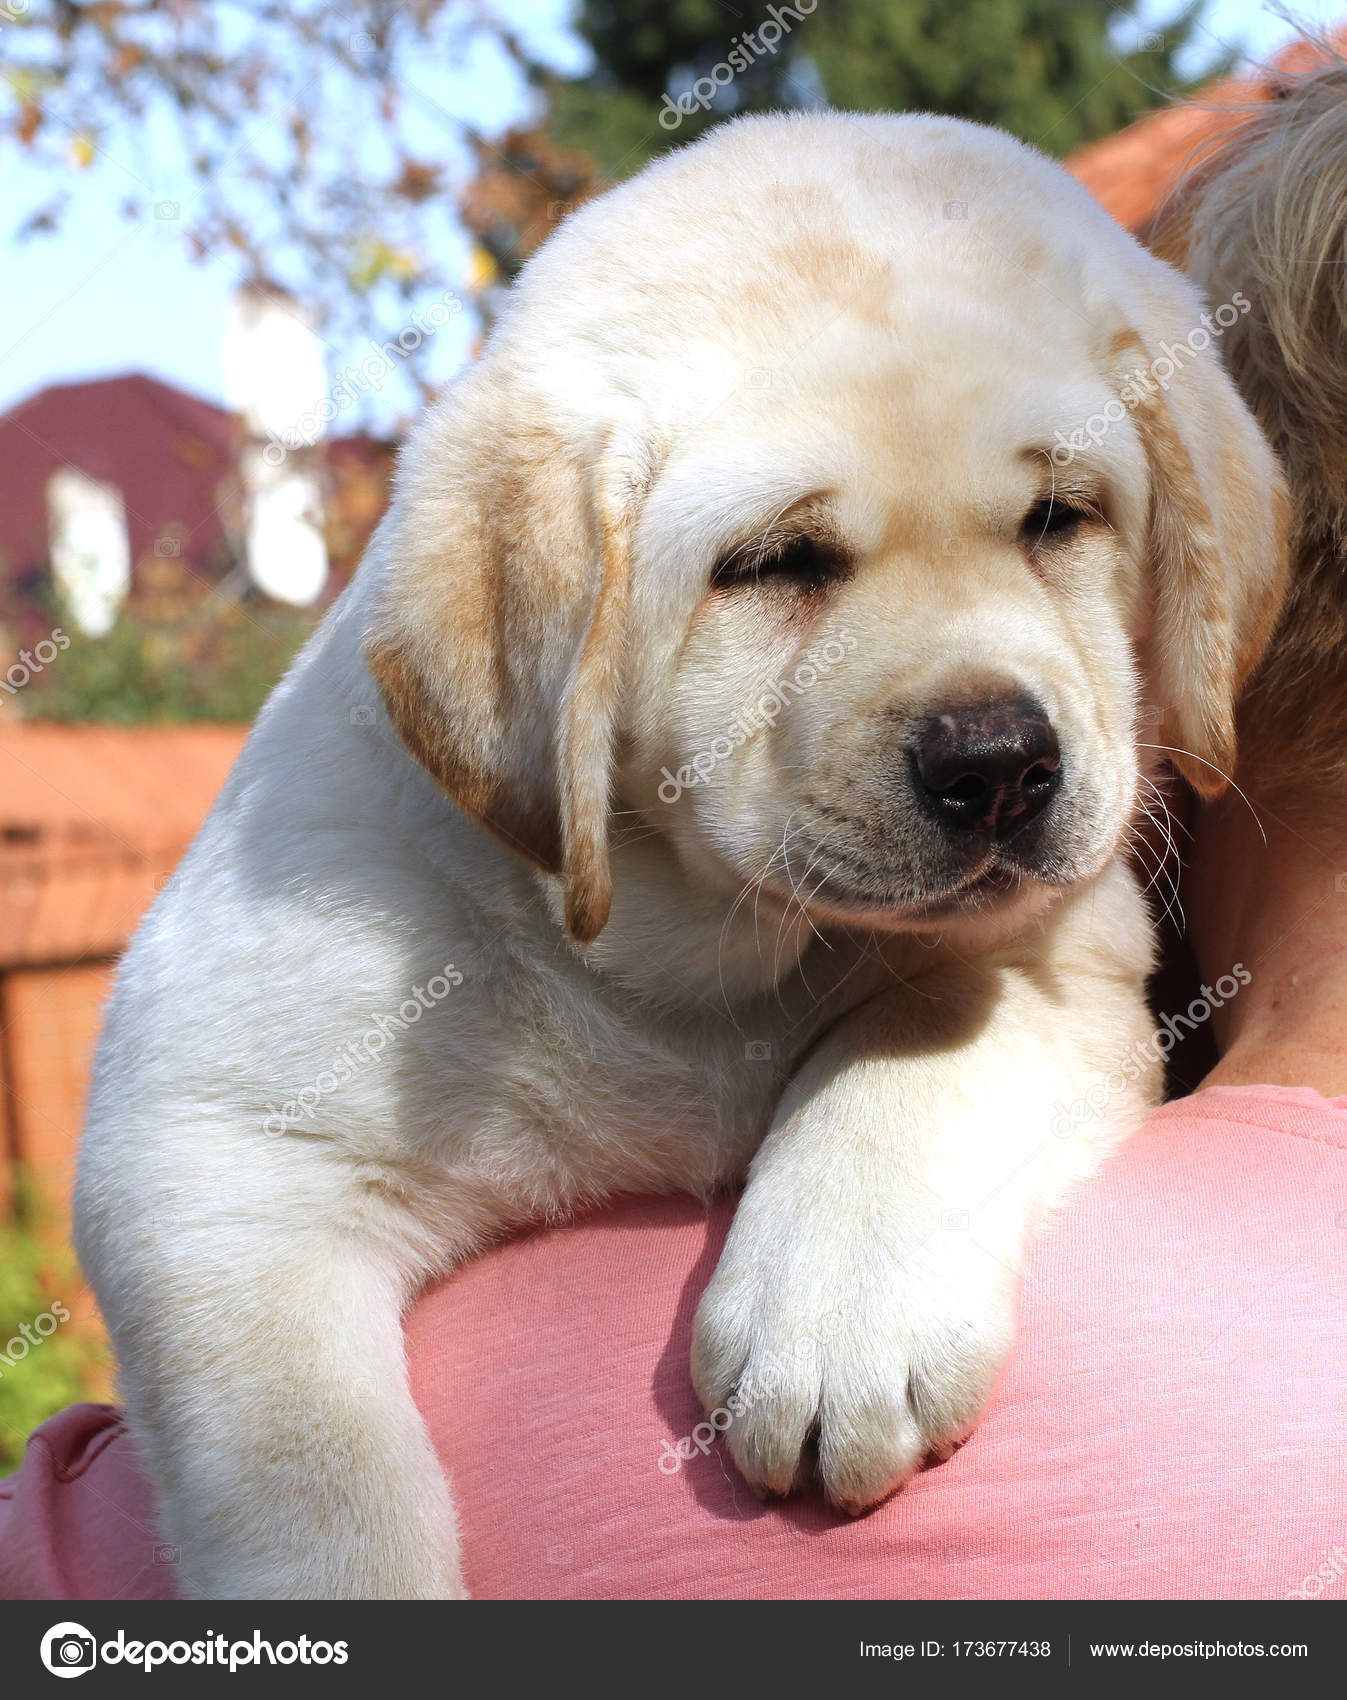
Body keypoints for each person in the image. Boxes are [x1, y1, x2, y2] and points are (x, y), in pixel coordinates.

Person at [5, 72, 1347, 1603]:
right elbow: (214, 1182)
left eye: (1057, 520)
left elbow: (1067, 992)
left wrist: (915, 1126)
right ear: (554, 649)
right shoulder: (352, 887)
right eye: (784, 562)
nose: (988, 730)